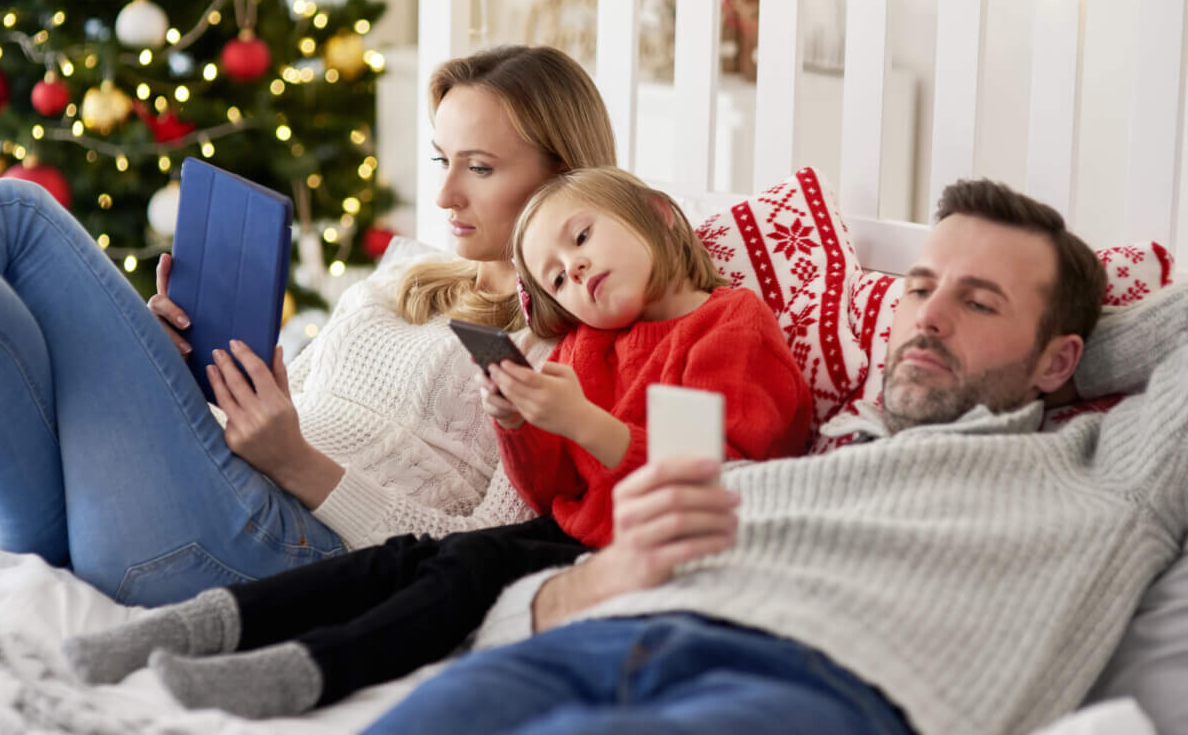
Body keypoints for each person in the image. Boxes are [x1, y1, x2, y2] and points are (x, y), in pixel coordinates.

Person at [356, 179, 1188, 735]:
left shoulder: (1103, 470)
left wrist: (1074, 362)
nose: (928, 317)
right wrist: (599, 581)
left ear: (1060, 357)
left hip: (815, 691)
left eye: (979, 302)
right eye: (918, 286)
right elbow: (517, 613)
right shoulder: (822, 450)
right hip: (597, 639)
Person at [60, 166, 814, 718]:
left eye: (582, 238)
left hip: (645, 545)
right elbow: (552, 487)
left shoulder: (728, 323)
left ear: (661, 215)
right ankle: (193, 624)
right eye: (556, 277)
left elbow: (714, 474)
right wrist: (518, 422)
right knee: (400, 559)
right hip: (575, 528)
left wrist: (585, 422)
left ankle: (301, 673)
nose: (575, 269)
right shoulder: (590, 342)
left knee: (464, 570)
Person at [0, 45, 615, 607]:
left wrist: (295, 463)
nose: (445, 195)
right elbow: (286, 406)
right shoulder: (407, 275)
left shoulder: (569, 350)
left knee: (16, 211)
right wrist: (171, 364)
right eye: (441, 159)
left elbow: (486, 550)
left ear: (563, 177)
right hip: (201, 493)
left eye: (479, 168)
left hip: (282, 545)